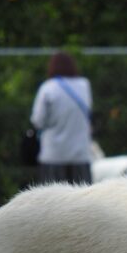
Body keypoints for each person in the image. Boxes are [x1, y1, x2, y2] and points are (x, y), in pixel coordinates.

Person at [30, 51, 93, 184]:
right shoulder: (84, 85)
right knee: (81, 202)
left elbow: (37, 120)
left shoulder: (48, 88)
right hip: (80, 156)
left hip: (53, 155)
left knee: (53, 202)